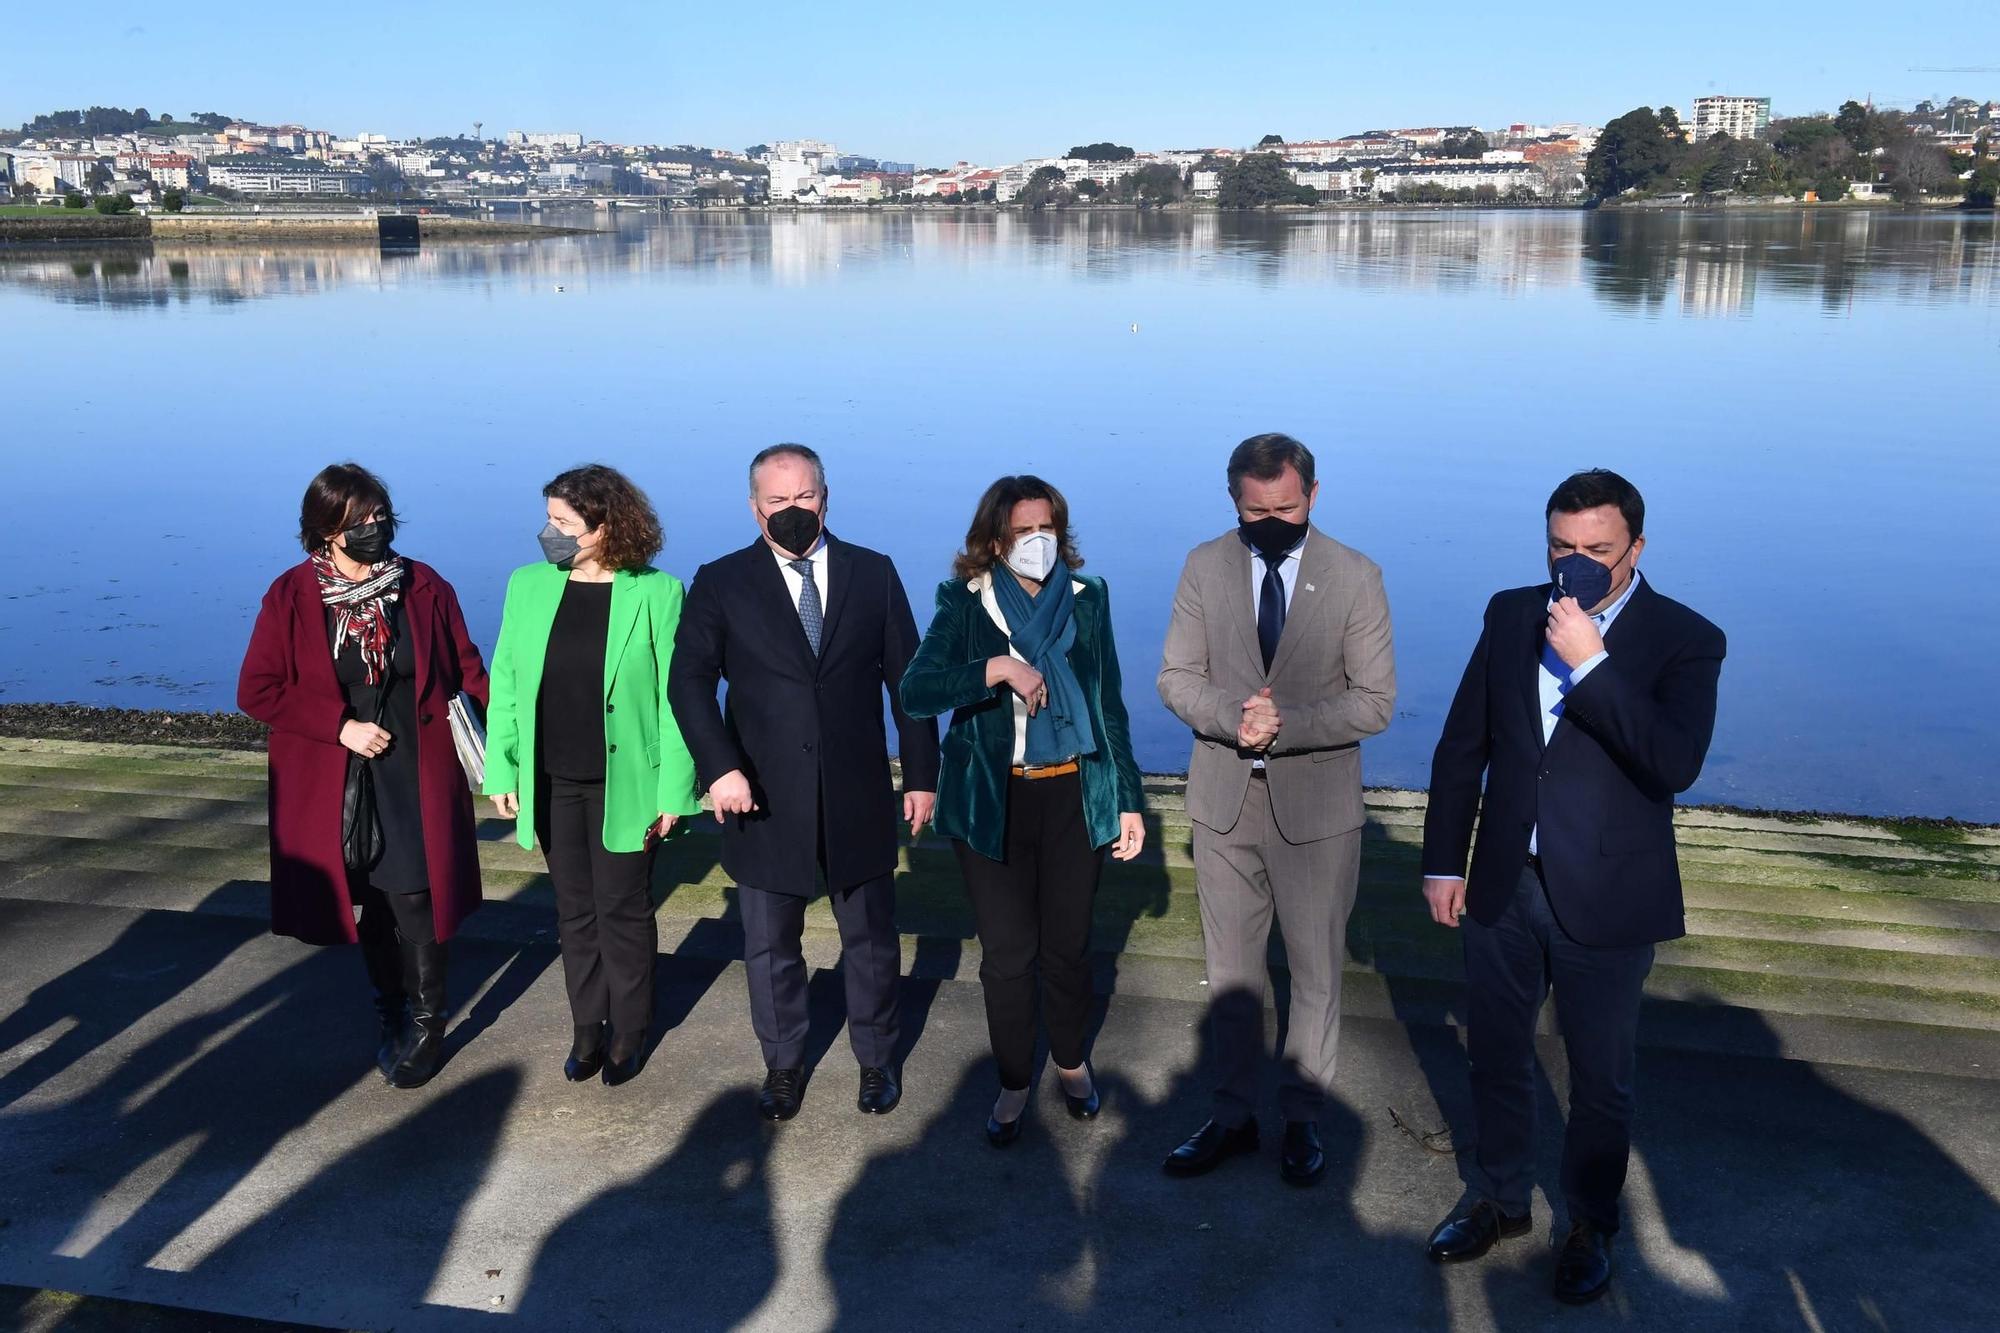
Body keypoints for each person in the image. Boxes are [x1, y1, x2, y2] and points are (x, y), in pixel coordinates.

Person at [1419, 468, 1725, 1306]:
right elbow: (1460, 746)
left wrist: (1592, 665)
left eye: (1597, 549)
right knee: (1496, 1052)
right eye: (1563, 547)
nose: (1578, 562)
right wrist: (1444, 860)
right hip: (1503, 881)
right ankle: (1499, 1196)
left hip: (1610, 892)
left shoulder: (1685, 637)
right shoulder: (1512, 611)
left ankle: (1590, 1223)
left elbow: (1674, 762)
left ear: (1636, 546)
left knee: (1600, 1076)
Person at [668, 443, 940, 1122]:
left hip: (856, 792)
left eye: (805, 496)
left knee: (872, 939)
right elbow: (689, 683)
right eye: (778, 501)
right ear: (755, 507)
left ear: (826, 495)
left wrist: (923, 775)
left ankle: (877, 1060)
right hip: (760, 794)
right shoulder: (722, 580)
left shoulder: (872, 573)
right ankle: (783, 1064)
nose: (794, 510)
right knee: (768, 943)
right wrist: (719, 765)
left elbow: (911, 681)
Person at [1156, 433, 1396, 1186]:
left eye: (1286, 506)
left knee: (1316, 972)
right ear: (1235, 500)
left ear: (1313, 496)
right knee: (1231, 972)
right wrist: (1236, 717)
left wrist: (1286, 721)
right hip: (1222, 802)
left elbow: (1376, 701)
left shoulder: (1355, 576)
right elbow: (1175, 677)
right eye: (1256, 508)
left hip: (1318, 809)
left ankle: (1302, 1119)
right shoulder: (1203, 565)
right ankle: (1231, 1115)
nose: (1271, 518)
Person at [899, 476, 1147, 1147]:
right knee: (1008, 955)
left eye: (1049, 528)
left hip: (1074, 792)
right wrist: (996, 669)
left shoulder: (1089, 598)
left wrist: (1127, 799)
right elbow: (917, 690)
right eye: (1023, 531)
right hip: (993, 800)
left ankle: (1069, 1061)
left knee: (1066, 949)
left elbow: (1109, 705)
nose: (1039, 541)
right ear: (995, 538)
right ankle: (1014, 1079)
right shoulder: (965, 599)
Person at [238, 463, 489, 1089]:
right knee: (369, 899)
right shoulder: (292, 595)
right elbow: (257, 689)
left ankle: (430, 1024)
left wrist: (508, 747)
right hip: (335, 771)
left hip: (417, 767)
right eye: (359, 522)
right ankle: (391, 1014)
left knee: (415, 893)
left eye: (380, 517)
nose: (375, 529)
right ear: (325, 531)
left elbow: (466, 669)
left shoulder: (423, 585)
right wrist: (339, 726)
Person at [483, 464, 702, 1087]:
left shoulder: (658, 592)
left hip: (628, 782)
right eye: (548, 519)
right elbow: (506, 682)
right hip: (550, 781)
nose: (546, 532)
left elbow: (677, 698)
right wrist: (503, 766)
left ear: (607, 527)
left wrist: (675, 792)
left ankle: (630, 1029)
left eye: (562, 523)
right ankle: (587, 1028)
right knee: (574, 911)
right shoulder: (526, 586)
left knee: (624, 910)